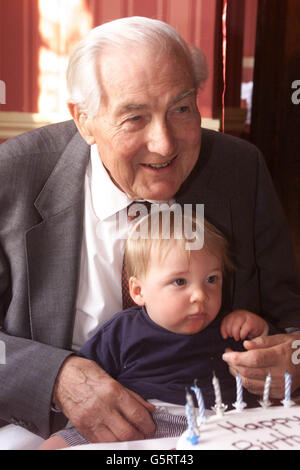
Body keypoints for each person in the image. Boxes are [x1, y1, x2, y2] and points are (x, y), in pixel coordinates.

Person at [0, 16, 299, 447]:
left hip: (205, 424)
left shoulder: (240, 170)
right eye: (135, 117)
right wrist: (56, 377)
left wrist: (292, 356)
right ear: (84, 121)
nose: (164, 144)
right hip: (52, 427)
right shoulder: (15, 173)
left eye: (181, 109)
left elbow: (290, 312)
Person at [39, 211, 274, 449]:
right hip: (137, 422)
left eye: (211, 279)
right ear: (139, 291)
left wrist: (261, 331)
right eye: (180, 282)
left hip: (212, 424)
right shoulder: (122, 330)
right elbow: (84, 386)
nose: (201, 295)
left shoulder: (229, 328)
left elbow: (268, 367)